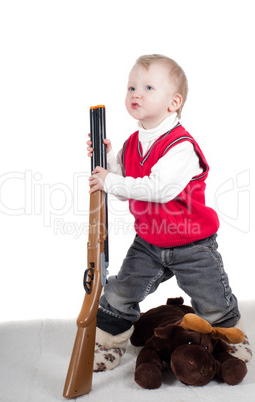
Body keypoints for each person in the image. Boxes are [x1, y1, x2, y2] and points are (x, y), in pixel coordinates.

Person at [87, 54, 241, 372]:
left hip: (191, 243)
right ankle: (111, 342)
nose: (135, 94)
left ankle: (230, 340)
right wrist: (107, 162)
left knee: (211, 301)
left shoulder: (181, 145)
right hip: (149, 242)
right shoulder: (132, 144)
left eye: (147, 87)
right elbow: (120, 188)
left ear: (173, 103)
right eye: (131, 87)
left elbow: (159, 189)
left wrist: (112, 179)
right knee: (119, 292)